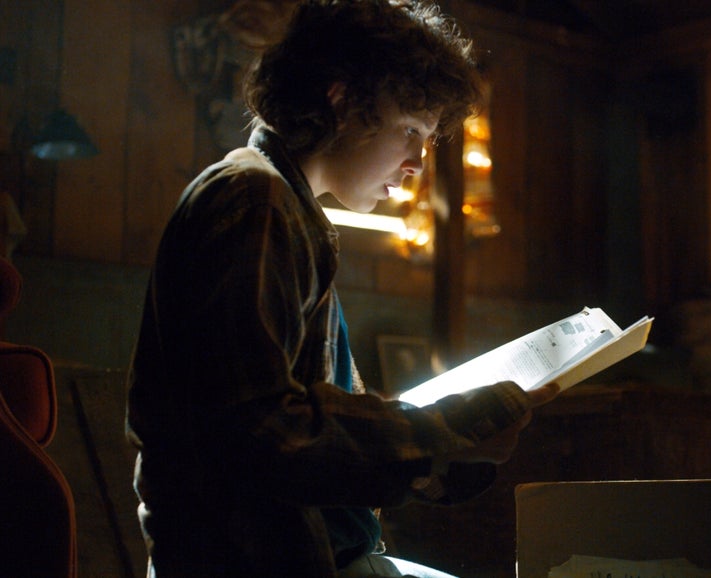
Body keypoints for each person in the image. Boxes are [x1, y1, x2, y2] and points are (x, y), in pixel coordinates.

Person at [125, 1, 558, 577]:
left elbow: (314, 424)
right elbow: (263, 430)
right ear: (342, 100)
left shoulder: (288, 208)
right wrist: (448, 429)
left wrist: (450, 453)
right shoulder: (254, 199)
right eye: (411, 130)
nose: (417, 163)